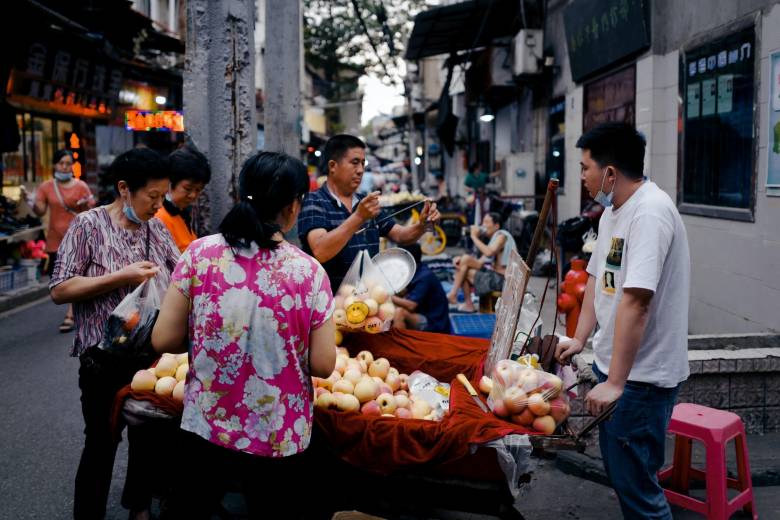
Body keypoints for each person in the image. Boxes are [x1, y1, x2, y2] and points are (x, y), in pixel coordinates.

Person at [151, 151, 337, 519]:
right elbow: (323, 364)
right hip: (278, 432)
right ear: (294, 205)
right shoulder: (309, 273)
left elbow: (163, 341)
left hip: (206, 424)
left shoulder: (200, 254)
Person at [555, 122, 690, 519]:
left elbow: (636, 302)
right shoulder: (614, 211)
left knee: (639, 492)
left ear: (610, 173)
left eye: (585, 168)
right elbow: (599, 280)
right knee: (625, 478)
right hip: (617, 371)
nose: (581, 177)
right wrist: (580, 340)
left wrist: (616, 382)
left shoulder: (650, 213)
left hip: (641, 381)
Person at [49, 148, 180, 520]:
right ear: (124, 188)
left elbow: (183, 273)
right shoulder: (87, 225)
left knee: (149, 439)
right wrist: (122, 277)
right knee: (101, 443)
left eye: (162, 196)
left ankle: (137, 507)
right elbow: (60, 290)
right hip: (102, 360)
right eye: (152, 197)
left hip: (150, 358)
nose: (158, 205)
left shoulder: (156, 227)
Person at [297, 134, 440, 289]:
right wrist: (358, 217)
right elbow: (321, 251)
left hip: (369, 300)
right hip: (331, 302)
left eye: (363, 163)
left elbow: (400, 235)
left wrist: (422, 226)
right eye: (354, 163)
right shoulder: (314, 201)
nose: (360, 170)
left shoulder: (366, 202)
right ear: (333, 166)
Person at [27, 149, 95, 332]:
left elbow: (92, 208)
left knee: (75, 275)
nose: (65, 167)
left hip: (78, 239)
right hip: (55, 240)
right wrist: (30, 201)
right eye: (61, 163)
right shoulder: (46, 187)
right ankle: (77, 308)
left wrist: (85, 204)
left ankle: (71, 314)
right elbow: (40, 211)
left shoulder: (81, 185)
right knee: (59, 280)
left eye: (68, 163)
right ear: (55, 165)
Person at [447, 212, 516, 312]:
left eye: (487, 222)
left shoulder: (502, 236)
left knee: (464, 269)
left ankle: (458, 298)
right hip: (495, 276)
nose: (483, 225)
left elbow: (489, 252)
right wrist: (460, 259)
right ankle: (457, 297)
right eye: (483, 222)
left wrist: (474, 237)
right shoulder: (494, 239)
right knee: (464, 261)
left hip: (503, 281)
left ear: (496, 226)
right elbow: (479, 263)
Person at [155, 146, 211, 252]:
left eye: (198, 190)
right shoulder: (159, 218)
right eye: (188, 188)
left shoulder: (182, 213)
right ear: (170, 182)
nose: (193, 195)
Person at [392, 243, 451, 333]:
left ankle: (400, 345)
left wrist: (388, 296)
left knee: (399, 312)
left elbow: (411, 305)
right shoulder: (416, 269)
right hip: (422, 312)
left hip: (434, 323)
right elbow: (405, 291)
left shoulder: (424, 277)